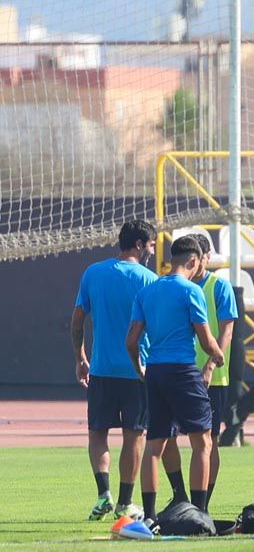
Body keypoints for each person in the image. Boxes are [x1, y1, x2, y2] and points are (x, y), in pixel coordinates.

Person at [127, 235, 224, 521]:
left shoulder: (148, 291)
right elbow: (206, 340)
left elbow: (131, 341)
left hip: (155, 372)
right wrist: (217, 356)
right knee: (202, 443)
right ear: (193, 261)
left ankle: (150, 516)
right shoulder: (191, 291)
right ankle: (200, 512)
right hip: (183, 371)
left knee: (155, 445)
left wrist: (138, 368)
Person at [72, 219, 158, 520]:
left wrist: (80, 357)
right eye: (151, 245)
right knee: (135, 435)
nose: (152, 251)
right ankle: (124, 502)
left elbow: (77, 321)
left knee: (97, 433)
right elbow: (155, 327)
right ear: (139, 244)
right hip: (138, 371)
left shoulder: (93, 273)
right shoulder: (149, 279)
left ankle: (103, 495)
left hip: (102, 369)